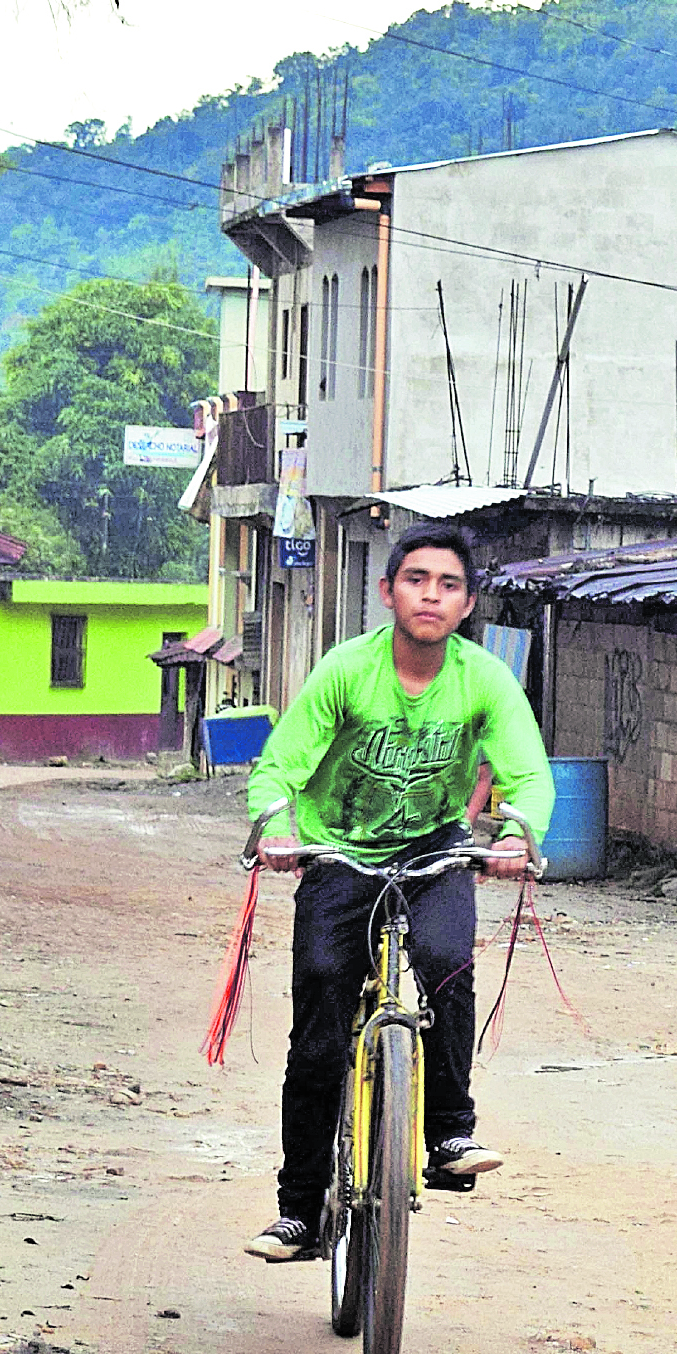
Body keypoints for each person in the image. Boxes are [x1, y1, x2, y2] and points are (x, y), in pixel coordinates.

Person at [239, 521, 550, 1261]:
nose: (431, 596)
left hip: (435, 844)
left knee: (447, 961)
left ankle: (447, 1131)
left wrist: (514, 838)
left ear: (468, 603)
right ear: (387, 591)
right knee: (318, 1018)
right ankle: (299, 1213)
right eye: (416, 580)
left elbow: (528, 775)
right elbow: (279, 766)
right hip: (337, 848)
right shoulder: (346, 671)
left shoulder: (484, 679)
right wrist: (277, 827)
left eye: (448, 585)